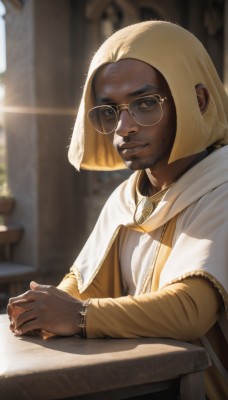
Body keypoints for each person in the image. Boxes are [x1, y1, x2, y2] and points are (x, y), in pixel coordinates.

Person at [7, 20, 228, 400]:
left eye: (145, 104)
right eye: (109, 111)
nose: (122, 128)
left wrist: (79, 317)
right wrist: (41, 308)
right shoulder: (128, 195)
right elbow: (84, 282)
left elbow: (192, 307)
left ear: (199, 101)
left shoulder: (221, 182)